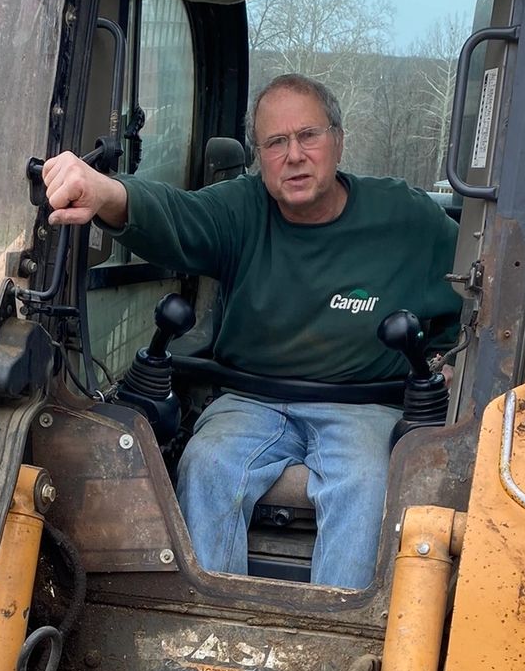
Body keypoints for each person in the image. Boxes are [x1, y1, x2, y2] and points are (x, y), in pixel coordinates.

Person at [42, 73, 461, 590]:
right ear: (259, 155)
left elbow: (479, 293)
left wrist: (444, 362)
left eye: (309, 135)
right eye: (276, 142)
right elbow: (177, 215)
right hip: (249, 400)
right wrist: (104, 190)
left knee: (366, 482)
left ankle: (337, 642)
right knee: (206, 464)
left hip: (365, 405)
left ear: (338, 139)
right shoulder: (241, 209)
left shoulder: (408, 218)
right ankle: (214, 638)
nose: (295, 155)